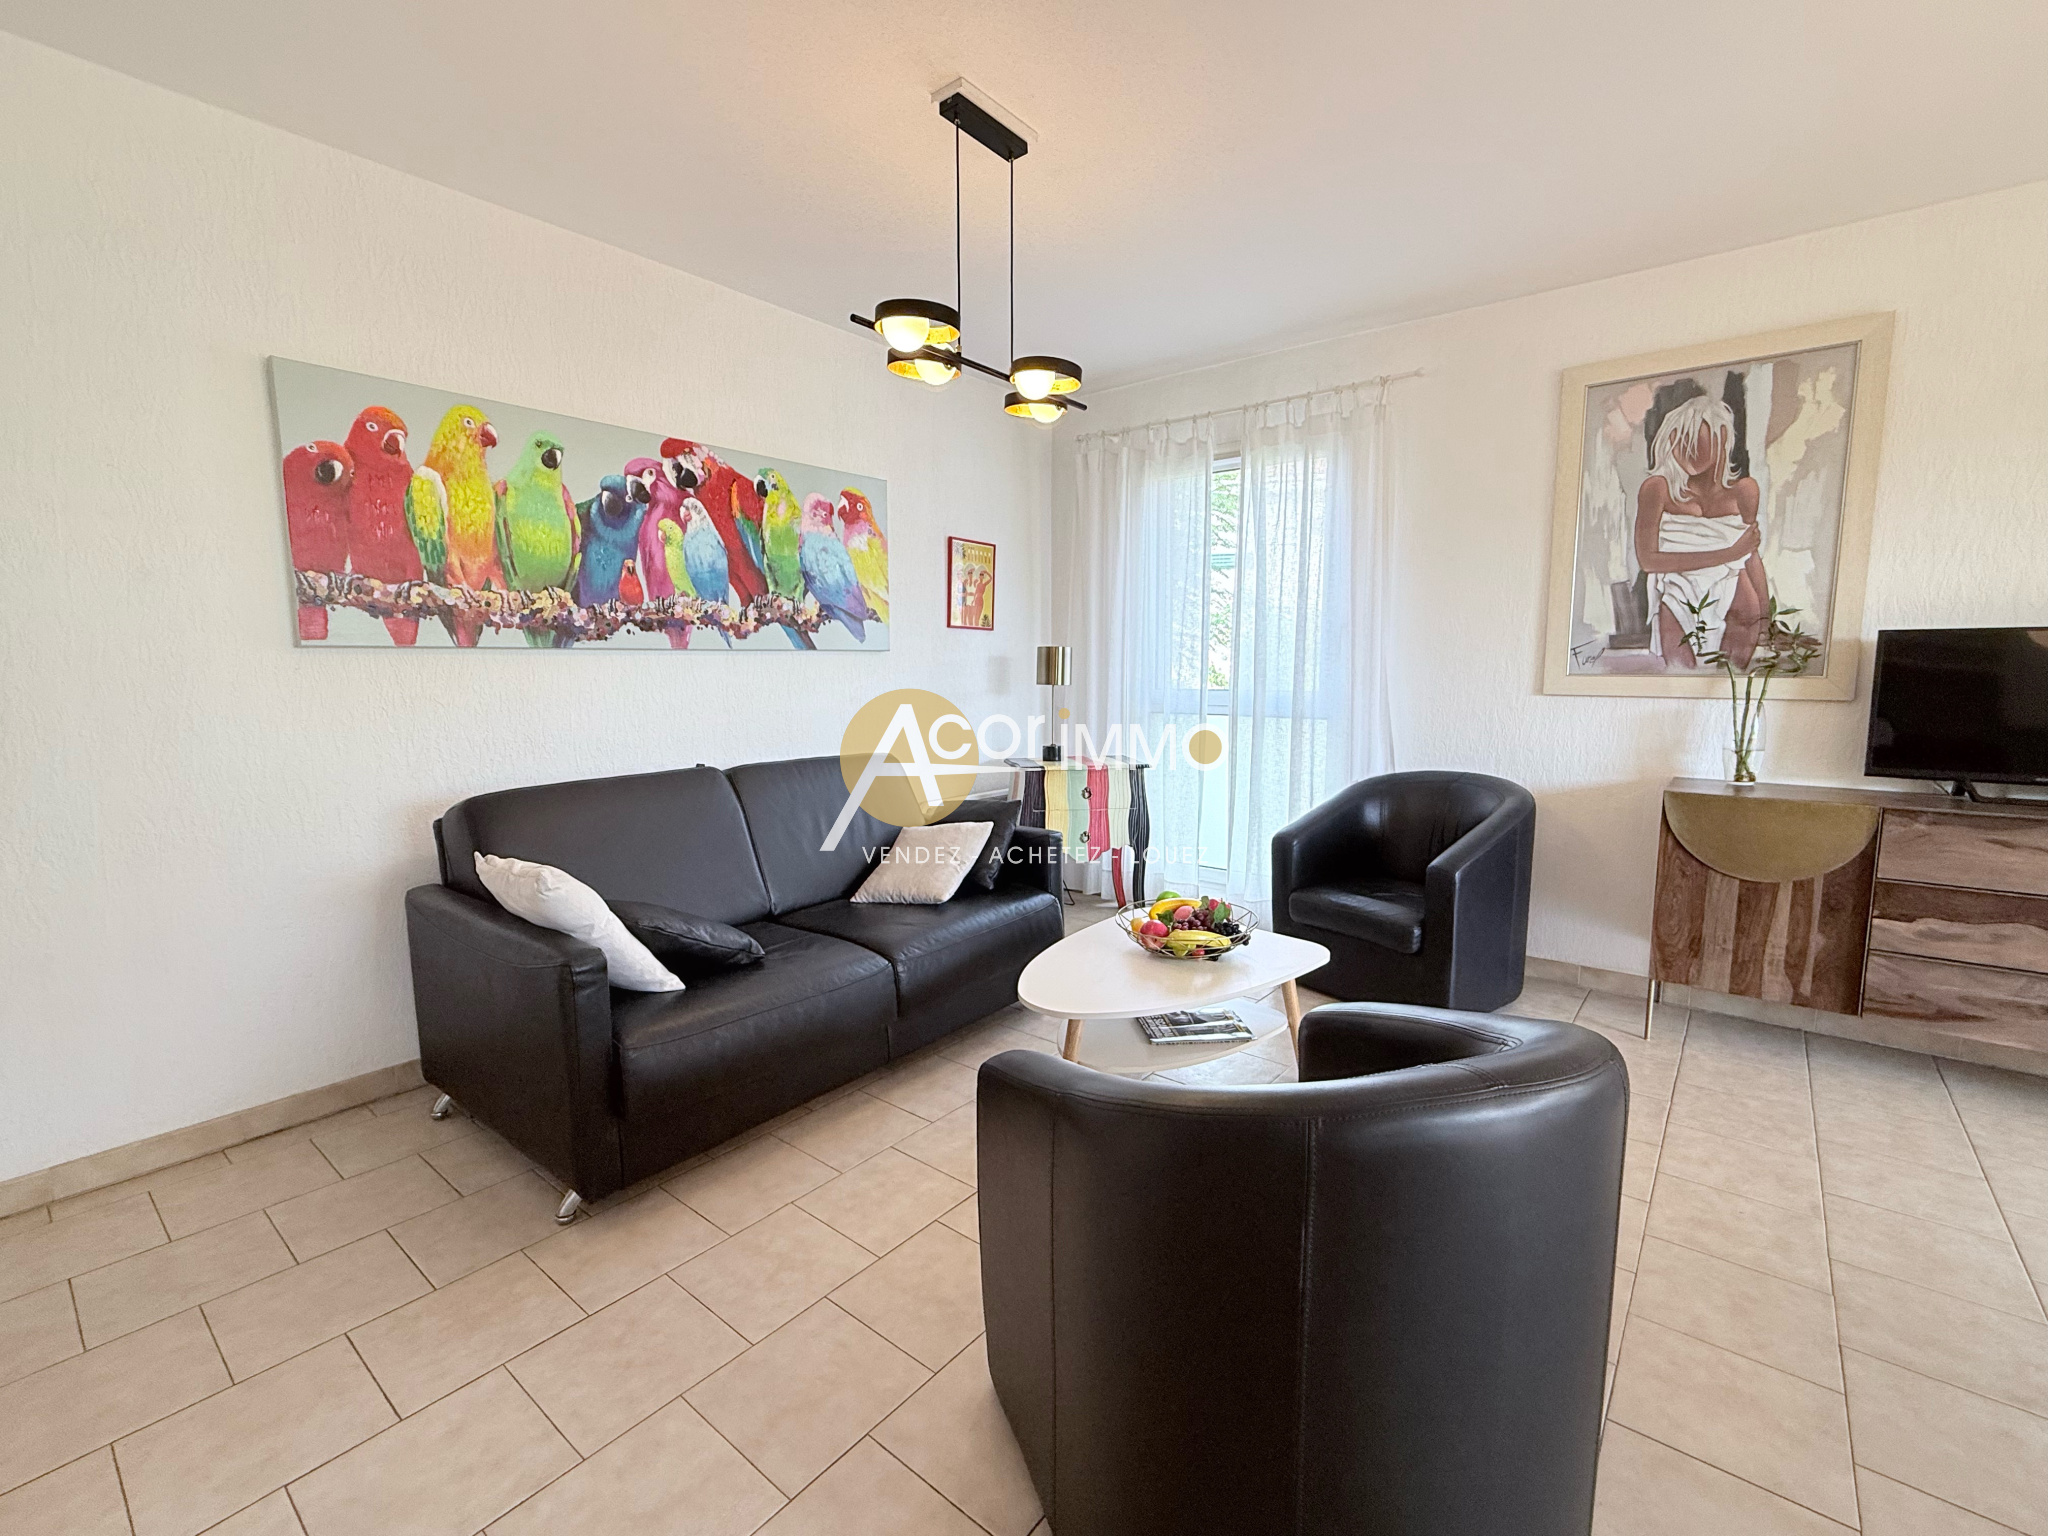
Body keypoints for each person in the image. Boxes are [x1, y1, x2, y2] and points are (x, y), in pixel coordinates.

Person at [1632, 393, 1766, 668]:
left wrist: (1765, 617)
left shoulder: (1745, 490)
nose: (1686, 448)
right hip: (1678, 591)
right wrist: (1730, 553)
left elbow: (1751, 556)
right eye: (1679, 438)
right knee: (1681, 679)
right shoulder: (1657, 489)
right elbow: (1648, 561)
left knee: (1728, 685)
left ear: (1722, 438)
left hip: (1738, 600)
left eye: (1694, 439)